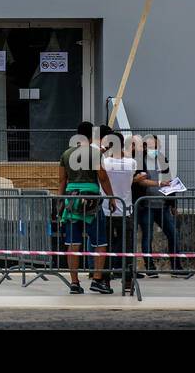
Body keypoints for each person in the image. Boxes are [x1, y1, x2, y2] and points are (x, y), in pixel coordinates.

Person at [58, 122, 114, 294]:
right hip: (92, 199)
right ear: (91, 136)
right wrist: (111, 197)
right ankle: (97, 279)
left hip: (71, 200)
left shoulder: (66, 154)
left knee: (73, 243)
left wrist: (60, 202)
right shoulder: (95, 153)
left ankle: (74, 283)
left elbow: (62, 180)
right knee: (99, 242)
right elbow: (103, 178)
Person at [132, 134, 186, 277]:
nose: (154, 149)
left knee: (173, 234)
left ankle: (176, 267)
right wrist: (158, 183)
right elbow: (140, 181)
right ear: (144, 147)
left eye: (156, 146)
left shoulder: (163, 160)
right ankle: (150, 267)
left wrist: (173, 203)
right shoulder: (139, 161)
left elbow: (170, 181)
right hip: (146, 205)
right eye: (151, 146)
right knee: (147, 236)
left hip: (163, 205)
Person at [99, 128, 137, 293]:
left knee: (105, 247)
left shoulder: (104, 162)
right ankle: (128, 281)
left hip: (107, 210)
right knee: (127, 247)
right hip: (125, 210)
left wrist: (103, 150)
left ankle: (105, 281)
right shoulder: (131, 163)